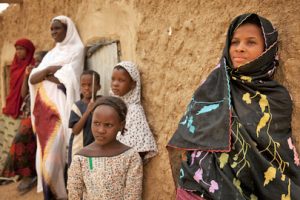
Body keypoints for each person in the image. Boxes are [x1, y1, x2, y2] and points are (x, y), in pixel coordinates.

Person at [167, 13, 300, 199]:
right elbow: (190, 136)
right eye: (235, 42)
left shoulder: (276, 98)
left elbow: (275, 151)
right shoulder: (214, 84)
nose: (240, 49)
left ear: (267, 49)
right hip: (197, 188)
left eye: (251, 42)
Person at [29, 15, 84, 199]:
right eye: (52, 29)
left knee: (56, 154)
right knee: (46, 156)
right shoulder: (52, 54)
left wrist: (47, 74)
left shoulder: (77, 49)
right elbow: (33, 78)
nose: (53, 33)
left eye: (57, 28)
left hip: (61, 107)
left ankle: (61, 194)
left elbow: (69, 79)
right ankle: (51, 195)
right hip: (42, 108)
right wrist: (47, 70)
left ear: (68, 29)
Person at [68, 96, 143, 200]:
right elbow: (74, 195)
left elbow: (133, 196)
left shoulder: (130, 157)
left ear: (121, 125)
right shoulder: (81, 158)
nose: (101, 130)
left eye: (108, 125)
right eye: (96, 123)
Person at [0, 51, 47, 194]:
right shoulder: (33, 74)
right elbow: (23, 94)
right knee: (21, 142)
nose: (36, 64)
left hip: (43, 115)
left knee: (23, 141)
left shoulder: (47, 75)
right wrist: (27, 76)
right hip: (29, 114)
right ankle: (27, 174)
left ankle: (31, 174)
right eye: (35, 61)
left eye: (39, 61)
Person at [0, 38, 35, 175]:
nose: (18, 52)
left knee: (18, 143)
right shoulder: (14, 66)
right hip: (10, 108)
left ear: (28, 50)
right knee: (5, 140)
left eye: (21, 49)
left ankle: (16, 170)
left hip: (24, 110)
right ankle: (4, 166)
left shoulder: (32, 65)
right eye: (17, 49)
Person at [111, 61, 158, 161]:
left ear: (133, 84)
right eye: (113, 79)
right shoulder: (112, 107)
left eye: (121, 80)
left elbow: (141, 149)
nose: (115, 84)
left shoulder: (134, 110)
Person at [68, 70, 101, 166]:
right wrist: (88, 111)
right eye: (83, 85)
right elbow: (75, 130)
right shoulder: (77, 106)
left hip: (96, 149)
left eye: (90, 85)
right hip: (80, 148)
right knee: (79, 174)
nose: (86, 88)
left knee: (92, 171)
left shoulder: (102, 102)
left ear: (98, 87)